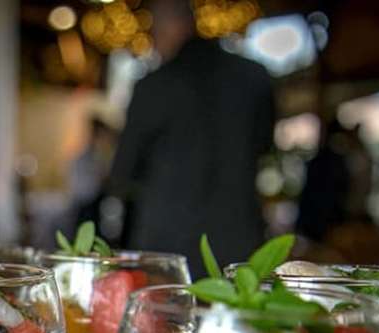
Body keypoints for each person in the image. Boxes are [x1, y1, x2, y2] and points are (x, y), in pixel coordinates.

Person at [110, 0, 275, 274]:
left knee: (164, 305)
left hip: (166, 250)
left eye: (154, 33)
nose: (154, 43)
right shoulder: (254, 76)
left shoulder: (153, 86)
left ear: (169, 26)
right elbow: (264, 146)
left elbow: (122, 174)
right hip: (240, 245)